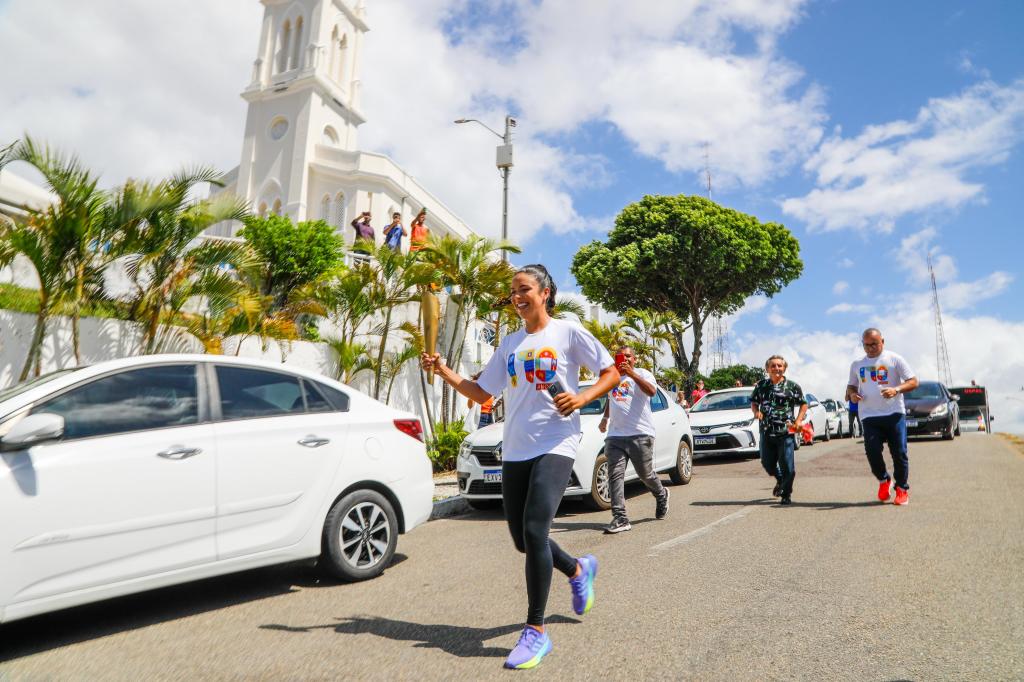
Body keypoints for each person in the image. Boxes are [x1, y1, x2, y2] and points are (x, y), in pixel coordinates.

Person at [421, 263, 619, 670]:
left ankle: (536, 631)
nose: (517, 297)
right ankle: (578, 569)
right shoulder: (510, 343)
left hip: (556, 442)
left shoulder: (567, 332)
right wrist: (442, 370)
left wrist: (582, 398)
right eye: (513, 291)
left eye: (524, 289)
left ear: (545, 293)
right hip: (515, 449)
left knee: (534, 530)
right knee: (523, 541)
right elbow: (482, 393)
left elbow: (611, 372)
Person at [598, 345, 670, 533]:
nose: (625, 359)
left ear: (634, 359)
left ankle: (661, 494)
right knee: (615, 476)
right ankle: (620, 518)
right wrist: (605, 418)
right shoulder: (612, 377)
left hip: (640, 433)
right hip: (615, 436)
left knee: (645, 474)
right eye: (621, 357)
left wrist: (632, 374)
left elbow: (651, 391)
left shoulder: (643, 374)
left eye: (628, 356)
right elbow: (611, 398)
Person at [846, 328, 918, 505]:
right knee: (872, 452)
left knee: (899, 452)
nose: (870, 348)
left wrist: (896, 389)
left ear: (882, 342)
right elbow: (851, 387)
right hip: (869, 415)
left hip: (894, 413)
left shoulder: (894, 359)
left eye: (874, 344)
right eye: (866, 345)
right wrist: (853, 395)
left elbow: (913, 381)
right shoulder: (857, 364)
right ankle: (884, 479)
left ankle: (901, 489)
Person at [750, 355, 807, 505]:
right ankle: (781, 479)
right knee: (767, 463)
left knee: (788, 466)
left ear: (784, 368)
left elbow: (803, 404)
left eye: (779, 366)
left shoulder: (793, 386)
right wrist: (756, 412)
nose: (776, 368)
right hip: (766, 431)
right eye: (773, 366)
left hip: (786, 432)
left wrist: (798, 420)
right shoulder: (761, 386)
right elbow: (754, 402)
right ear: (767, 369)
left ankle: (786, 494)